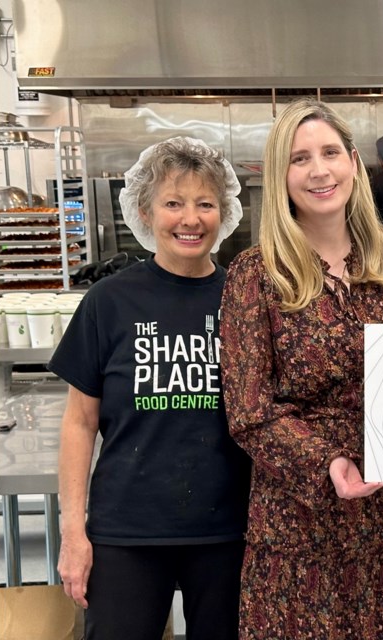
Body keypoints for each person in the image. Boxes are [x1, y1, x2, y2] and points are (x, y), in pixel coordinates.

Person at [218, 98, 383, 639]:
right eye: (299, 159)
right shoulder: (256, 273)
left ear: (353, 164)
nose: (319, 170)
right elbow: (249, 410)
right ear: (280, 176)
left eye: (330, 152)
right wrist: (328, 464)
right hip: (298, 525)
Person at [50, 137, 251, 640]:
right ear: (145, 211)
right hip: (127, 532)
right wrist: (73, 533)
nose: (190, 218)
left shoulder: (245, 300)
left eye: (205, 204)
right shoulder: (109, 302)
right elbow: (79, 423)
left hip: (229, 530)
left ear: (224, 213)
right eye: (174, 203)